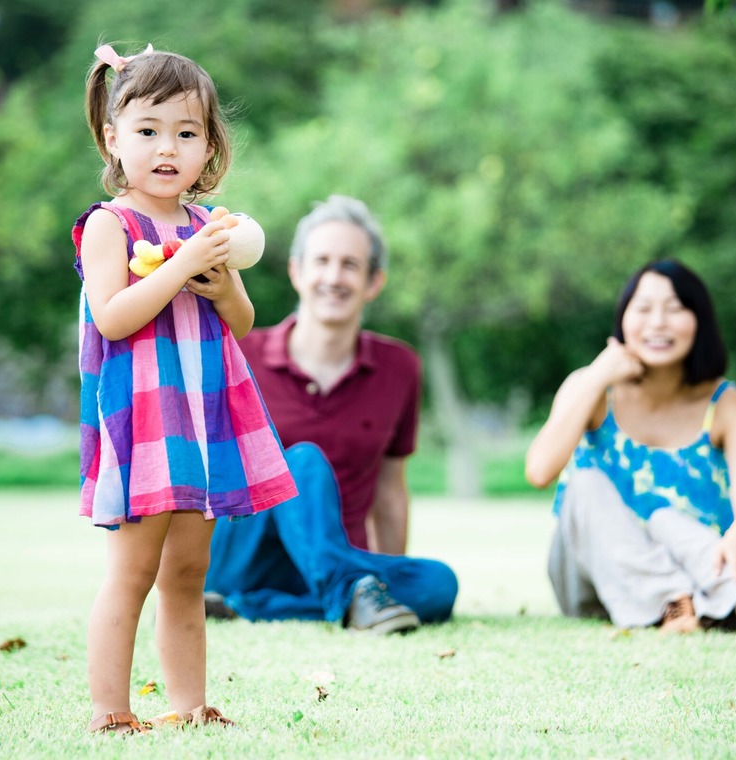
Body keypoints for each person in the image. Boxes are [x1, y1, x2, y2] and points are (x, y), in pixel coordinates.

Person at [74, 44, 297, 734]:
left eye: (186, 132)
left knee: (188, 571)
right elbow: (113, 317)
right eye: (147, 131)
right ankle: (112, 711)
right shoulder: (110, 225)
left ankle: (192, 706)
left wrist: (221, 278)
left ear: (209, 147)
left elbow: (242, 320)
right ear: (114, 139)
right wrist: (181, 267)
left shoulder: (207, 228)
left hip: (201, 416)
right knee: (134, 569)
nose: (166, 148)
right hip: (143, 417)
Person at [204, 195, 458, 634]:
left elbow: (390, 488)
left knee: (438, 584)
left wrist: (389, 574)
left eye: (350, 265)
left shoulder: (400, 368)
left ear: (374, 281)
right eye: (322, 261)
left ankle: (254, 606)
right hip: (242, 551)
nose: (334, 277)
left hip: (334, 553)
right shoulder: (240, 353)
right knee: (301, 463)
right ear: (296, 271)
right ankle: (347, 591)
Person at [525, 259, 736, 636]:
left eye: (675, 309)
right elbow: (539, 470)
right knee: (584, 484)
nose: (658, 323)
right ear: (623, 320)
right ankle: (688, 602)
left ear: (699, 321)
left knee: (666, 518)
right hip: (592, 576)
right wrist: (600, 373)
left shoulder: (728, 405)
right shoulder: (591, 390)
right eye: (644, 308)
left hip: (694, 565)